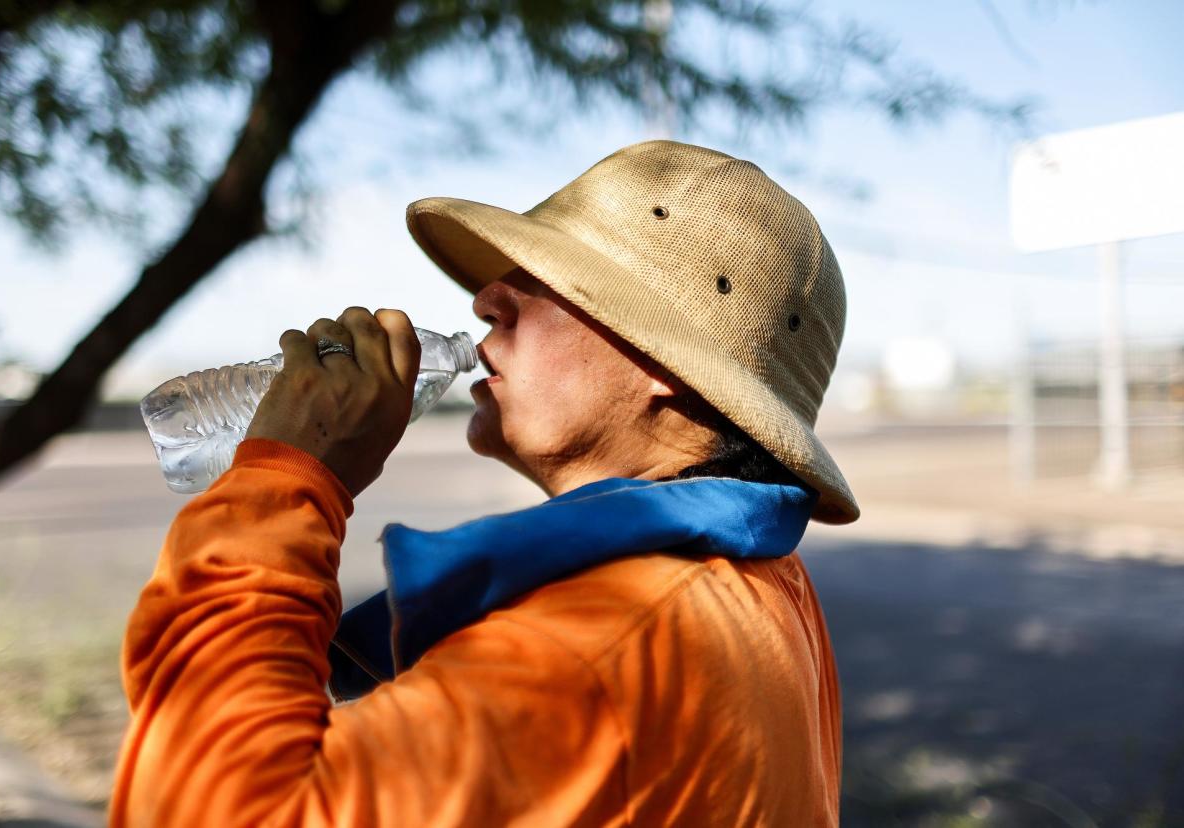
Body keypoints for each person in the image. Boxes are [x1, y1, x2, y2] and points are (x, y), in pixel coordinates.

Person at [111, 140, 859, 827]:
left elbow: (201, 803)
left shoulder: (603, 647)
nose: (486, 300)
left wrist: (287, 476)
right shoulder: (751, 579)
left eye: (551, 280)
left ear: (665, 363)